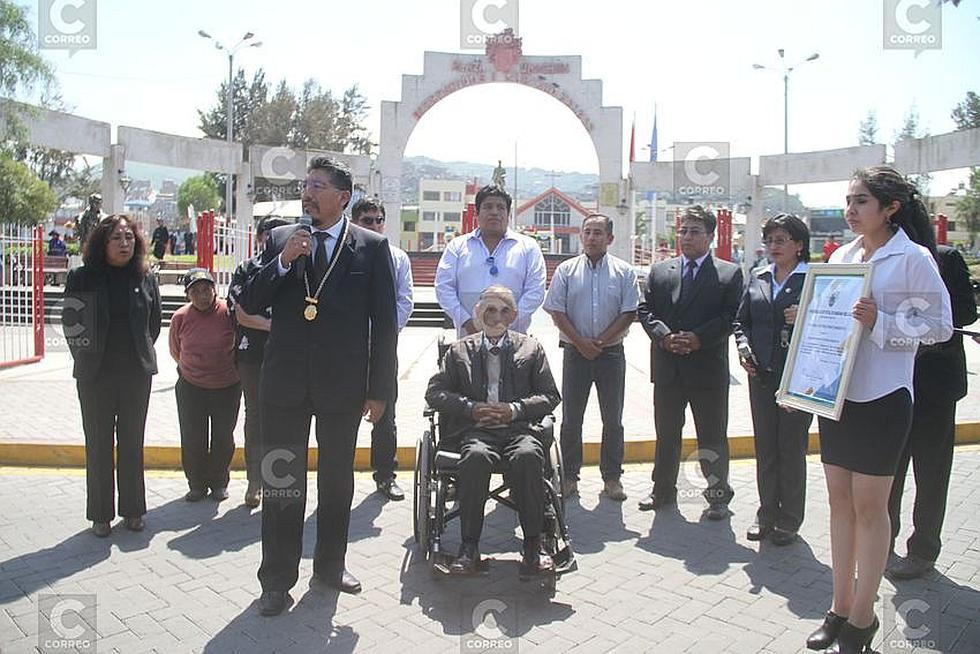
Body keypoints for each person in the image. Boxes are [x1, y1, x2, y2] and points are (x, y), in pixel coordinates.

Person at [806, 166, 952, 653]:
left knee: (871, 508)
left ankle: (864, 616)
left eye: (861, 201)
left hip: (884, 397)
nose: (851, 210)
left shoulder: (912, 258)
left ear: (890, 208)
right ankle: (839, 606)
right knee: (838, 503)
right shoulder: (843, 255)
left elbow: (940, 327)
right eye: (848, 200)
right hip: (837, 395)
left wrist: (881, 320)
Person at [243, 156, 397, 616]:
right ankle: (276, 580)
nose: (307, 192)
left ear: (342, 197)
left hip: (343, 387)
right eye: (306, 184)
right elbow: (249, 301)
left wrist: (379, 390)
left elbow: (384, 325)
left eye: (318, 185)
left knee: (336, 482)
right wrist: (283, 265)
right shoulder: (280, 239)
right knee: (283, 482)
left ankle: (330, 565)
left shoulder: (371, 246)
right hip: (285, 384)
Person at [425, 285, 561, 577]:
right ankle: (469, 548)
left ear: (513, 316)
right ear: (478, 314)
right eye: (489, 310)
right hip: (476, 430)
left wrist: (514, 409)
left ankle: (534, 546)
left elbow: (550, 396)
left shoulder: (531, 348)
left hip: (520, 429)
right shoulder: (459, 350)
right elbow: (435, 394)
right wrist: (470, 408)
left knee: (527, 457)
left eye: (503, 310)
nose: (496, 317)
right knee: (473, 458)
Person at [637, 205, 743, 519]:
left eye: (694, 231)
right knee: (667, 433)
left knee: (711, 435)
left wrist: (698, 338)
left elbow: (731, 316)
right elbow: (646, 311)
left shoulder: (728, 273)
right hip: (668, 368)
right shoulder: (660, 271)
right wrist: (664, 336)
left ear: (710, 236)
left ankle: (717, 496)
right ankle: (663, 491)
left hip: (707, 369)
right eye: (683, 230)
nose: (686, 236)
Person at [64, 214, 162, 537]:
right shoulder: (83, 278)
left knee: (133, 442)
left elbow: (154, 324)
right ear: (102, 243)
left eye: (129, 238)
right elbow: (73, 325)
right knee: (99, 443)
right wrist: (88, 357)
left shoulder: (145, 277)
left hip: (136, 374)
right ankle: (100, 515)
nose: (124, 244)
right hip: (95, 376)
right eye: (117, 238)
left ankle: (133, 511)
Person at [886, 244, 976, 578]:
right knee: (888, 470)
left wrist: (923, 316)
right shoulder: (881, 258)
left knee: (931, 472)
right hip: (895, 380)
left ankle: (923, 550)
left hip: (936, 386)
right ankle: (883, 540)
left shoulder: (944, 258)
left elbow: (966, 311)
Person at [543, 213, 638, 501]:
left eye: (599, 232)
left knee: (613, 419)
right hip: (575, 354)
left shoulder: (624, 271)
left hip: (611, 355)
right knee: (572, 418)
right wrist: (580, 342)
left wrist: (601, 342)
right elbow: (556, 310)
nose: (592, 237)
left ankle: (612, 478)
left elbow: (629, 311)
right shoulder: (566, 270)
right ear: (581, 236)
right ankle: (569, 476)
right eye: (588, 232)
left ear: (609, 238)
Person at [735, 214, 813, 546]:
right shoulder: (758, 276)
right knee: (766, 447)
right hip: (762, 376)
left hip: (798, 378)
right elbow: (742, 322)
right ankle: (766, 511)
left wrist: (807, 314)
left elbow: (833, 327)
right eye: (769, 240)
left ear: (799, 245)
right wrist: (743, 348)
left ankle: (790, 518)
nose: (774, 246)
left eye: (781, 240)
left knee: (790, 449)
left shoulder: (814, 279)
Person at [350, 197, 414, 502]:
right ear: (354, 222)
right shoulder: (345, 255)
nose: (373, 225)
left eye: (378, 220)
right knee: (342, 416)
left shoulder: (398, 258)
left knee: (385, 417)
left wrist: (385, 334)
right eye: (366, 220)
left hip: (384, 350)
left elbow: (405, 301)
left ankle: (386, 475)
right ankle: (337, 479)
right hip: (346, 351)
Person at [227, 217, 288, 508]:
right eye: (271, 234)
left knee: (286, 417)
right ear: (262, 237)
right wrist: (277, 326)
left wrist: (266, 323)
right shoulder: (246, 269)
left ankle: (279, 481)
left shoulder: (297, 267)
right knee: (256, 418)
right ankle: (255, 480)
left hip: (288, 356)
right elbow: (240, 314)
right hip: (251, 356)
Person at [435, 185, 546, 338]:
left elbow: (535, 291)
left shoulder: (528, 248)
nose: (494, 212)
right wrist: (467, 321)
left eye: (500, 207)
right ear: (477, 214)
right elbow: (443, 288)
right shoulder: (457, 247)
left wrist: (508, 322)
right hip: (469, 337)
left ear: (508, 214)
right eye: (488, 207)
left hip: (514, 339)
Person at [169, 268, 240, 503]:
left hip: (226, 385)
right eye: (196, 291)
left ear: (214, 289)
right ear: (188, 294)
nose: (202, 296)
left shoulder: (229, 313)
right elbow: (175, 351)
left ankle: (219, 482)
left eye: (207, 289)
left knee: (222, 436)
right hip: (191, 386)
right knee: (192, 437)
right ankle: (196, 484)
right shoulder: (180, 317)